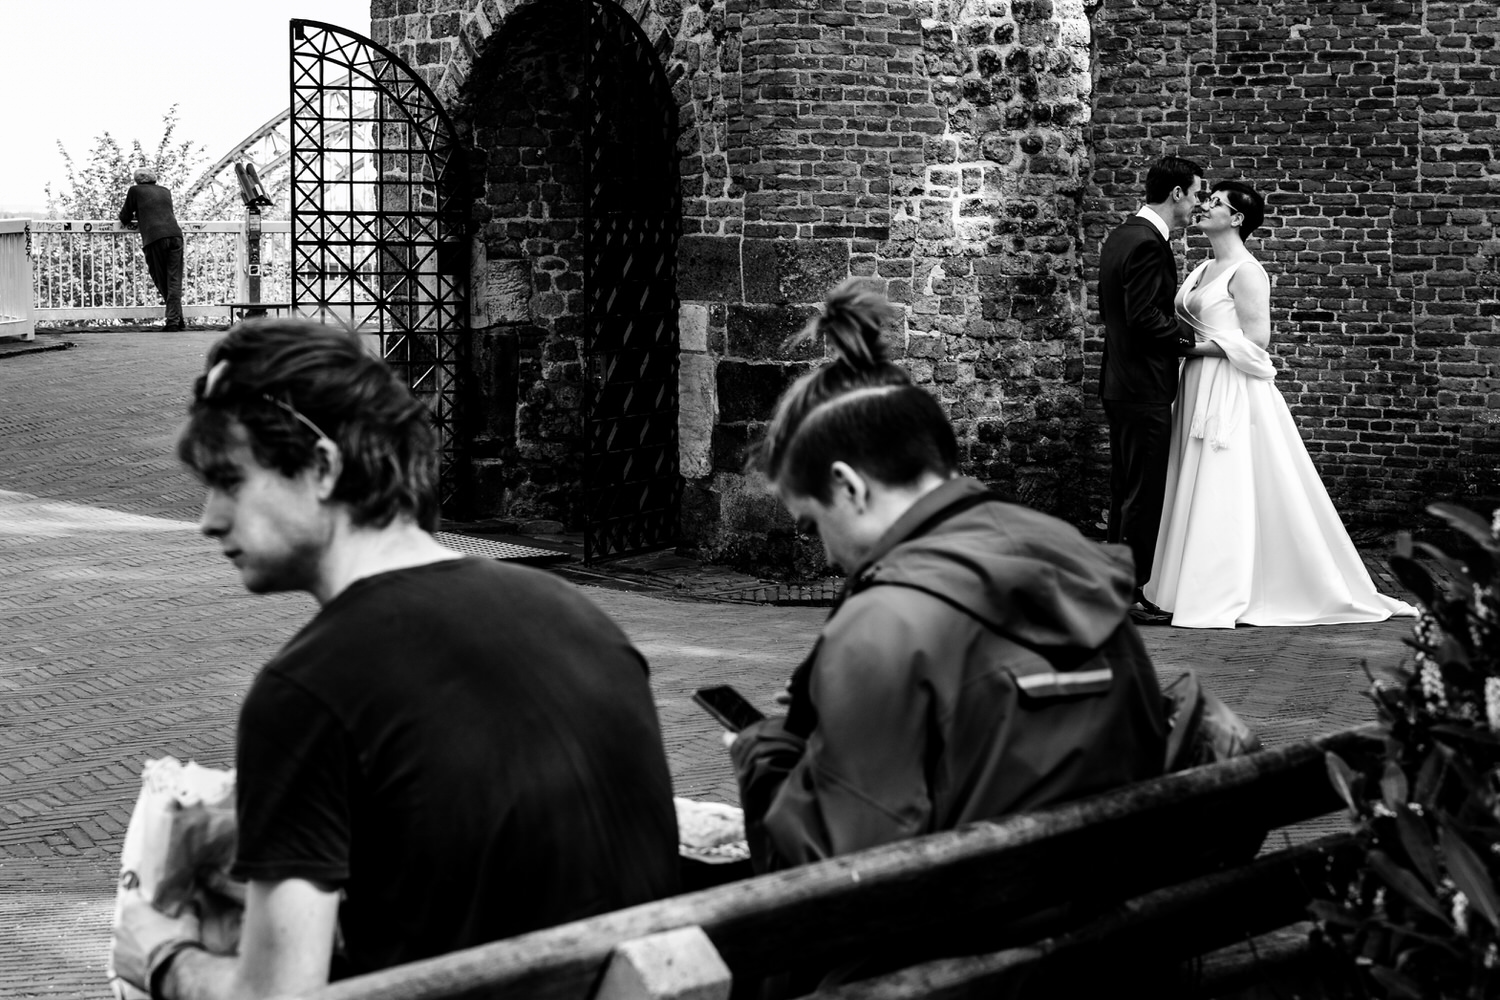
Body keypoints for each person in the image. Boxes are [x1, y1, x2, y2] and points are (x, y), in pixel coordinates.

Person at [114, 319, 680, 999]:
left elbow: (275, 997)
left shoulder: (307, 692)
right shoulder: (578, 616)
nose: (207, 517)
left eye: (229, 481)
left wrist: (161, 955)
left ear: (322, 467)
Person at [727, 281, 1168, 986]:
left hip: (956, 963)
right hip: (1106, 939)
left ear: (849, 486)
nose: (827, 555)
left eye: (813, 523)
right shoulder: (1069, 556)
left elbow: (837, 885)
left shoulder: (885, 625)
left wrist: (764, 755)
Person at [1144, 181, 1417, 628]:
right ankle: (1178, 585)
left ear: (1236, 219)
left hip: (1229, 387)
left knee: (1225, 480)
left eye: (1216, 203)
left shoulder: (1247, 272)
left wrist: (1189, 350)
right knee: (1192, 477)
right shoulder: (1200, 268)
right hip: (1194, 384)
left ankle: (1226, 587)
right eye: (1207, 198)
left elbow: (1256, 343)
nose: (1204, 206)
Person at [1097, 155, 1207, 625]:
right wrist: (1191, 341)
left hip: (1120, 382)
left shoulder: (1120, 236)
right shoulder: (1147, 244)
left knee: (1125, 488)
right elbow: (1143, 318)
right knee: (1142, 494)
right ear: (1177, 193)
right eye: (1197, 193)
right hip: (1143, 385)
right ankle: (1129, 591)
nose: (1198, 204)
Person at [119, 169, 186, 331]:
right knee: (174, 280)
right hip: (175, 235)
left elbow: (125, 216)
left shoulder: (135, 191)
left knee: (160, 279)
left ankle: (173, 322)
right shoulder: (165, 191)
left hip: (154, 238)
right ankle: (177, 320)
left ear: (137, 180)